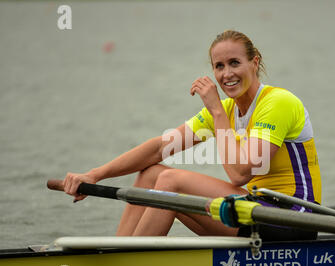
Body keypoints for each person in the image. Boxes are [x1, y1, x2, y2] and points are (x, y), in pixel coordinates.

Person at [62, 30, 321, 241]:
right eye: (219, 66)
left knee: (171, 181)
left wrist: (217, 110)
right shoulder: (226, 110)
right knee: (151, 174)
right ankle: (116, 254)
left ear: (254, 62)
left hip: (293, 219)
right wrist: (94, 175)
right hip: (255, 211)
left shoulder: (277, 102)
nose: (226, 74)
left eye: (234, 63)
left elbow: (241, 173)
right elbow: (158, 148)